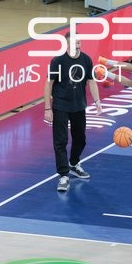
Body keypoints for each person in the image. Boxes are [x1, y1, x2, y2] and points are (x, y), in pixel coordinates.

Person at [44, 32, 103, 193]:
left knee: (81, 139)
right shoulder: (58, 61)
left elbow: (91, 81)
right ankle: (63, 175)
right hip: (61, 105)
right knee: (60, 141)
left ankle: (74, 163)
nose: (77, 45)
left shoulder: (86, 59)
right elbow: (48, 84)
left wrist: (97, 102)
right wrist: (47, 108)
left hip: (79, 106)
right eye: (74, 43)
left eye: (79, 42)